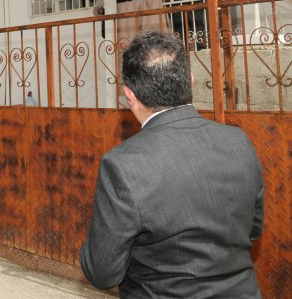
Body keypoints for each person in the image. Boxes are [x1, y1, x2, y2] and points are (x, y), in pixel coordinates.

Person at [80, 30, 264, 298]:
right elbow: (253, 230)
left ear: (129, 94)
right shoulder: (239, 141)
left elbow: (102, 272)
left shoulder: (123, 165)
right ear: (190, 79)